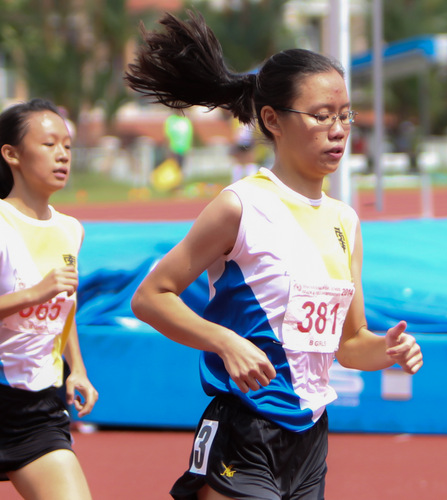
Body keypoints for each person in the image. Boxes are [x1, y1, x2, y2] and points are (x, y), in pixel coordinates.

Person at [125, 11, 423, 500]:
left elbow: (349, 344)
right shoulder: (241, 206)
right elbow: (151, 297)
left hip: (310, 440)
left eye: (345, 114)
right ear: (272, 120)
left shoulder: (344, 221)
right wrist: (225, 341)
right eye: (322, 115)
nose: (338, 129)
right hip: (243, 430)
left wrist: (386, 351)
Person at [0, 98, 98, 499]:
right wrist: (33, 292)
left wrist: (78, 369)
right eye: (49, 144)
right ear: (11, 154)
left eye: (68, 146)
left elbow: (63, 309)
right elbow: (43, 294)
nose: (62, 155)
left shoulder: (71, 229)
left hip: (37, 409)